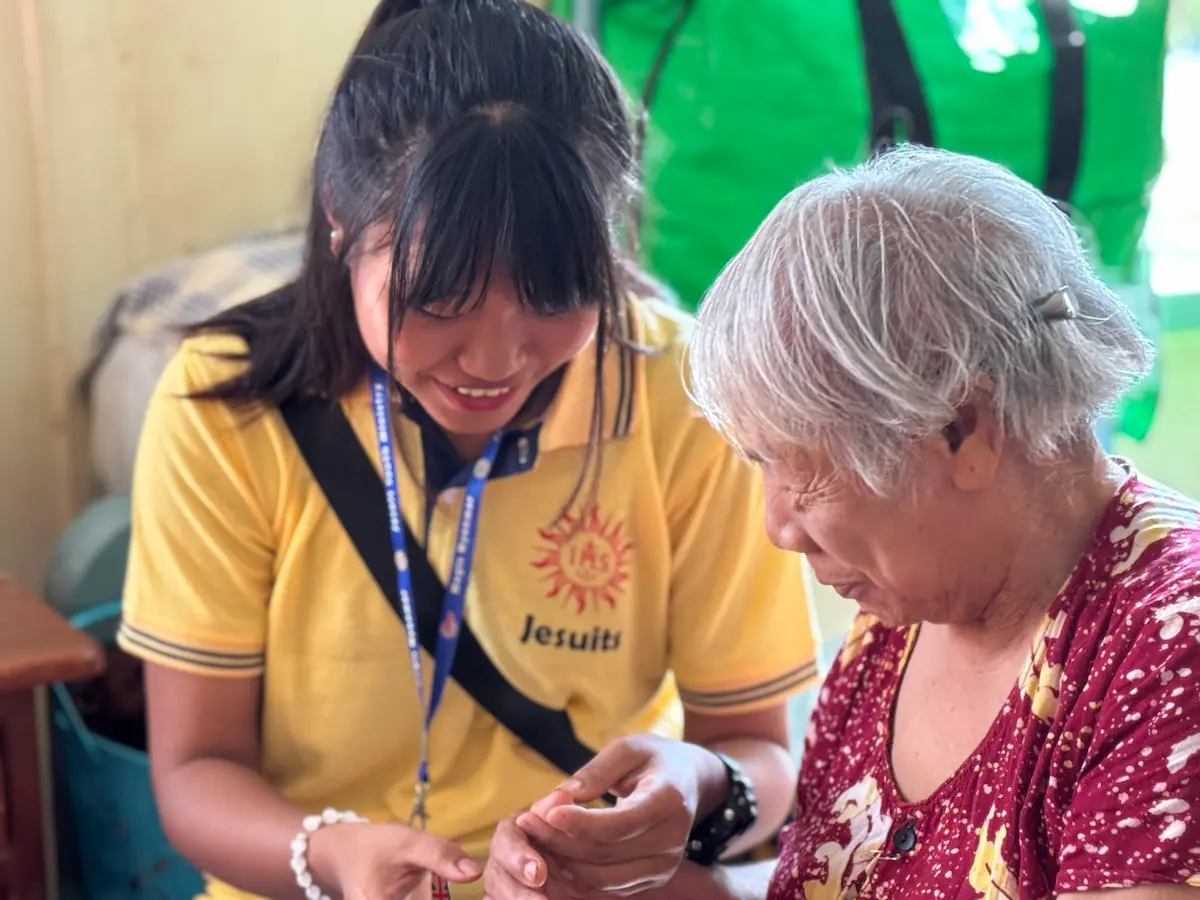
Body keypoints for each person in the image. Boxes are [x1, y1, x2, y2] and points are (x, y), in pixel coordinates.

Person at [116, 2, 815, 899]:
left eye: (553, 295)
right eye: (439, 302)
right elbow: (196, 772)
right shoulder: (226, 405)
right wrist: (332, 855)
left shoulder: (685, 399)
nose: (493, 362)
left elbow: (759, 751)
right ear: (339, 219)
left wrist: (695, 790)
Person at [487, 145, 1200, 899]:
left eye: (805, 473)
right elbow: (838, 879)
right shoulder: (910, 606)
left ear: (964, 429)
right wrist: (615, 886)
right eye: (763, 467)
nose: (778, 526)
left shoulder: (1168, 649)